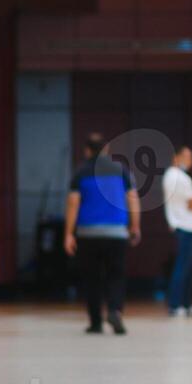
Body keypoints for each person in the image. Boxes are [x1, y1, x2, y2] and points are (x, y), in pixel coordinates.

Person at [64, 134, 141, 335]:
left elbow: (73, 203)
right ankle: (115, 310)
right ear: (106, 149)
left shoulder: (80, 172)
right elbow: (133, 198)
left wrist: (68, 234)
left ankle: (96, 322)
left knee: (92, 278)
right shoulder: (121, 171)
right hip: (116, 233)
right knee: (116, 275)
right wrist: (135, 226)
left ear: (87, 151)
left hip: (88, 234)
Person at [162, 146, 192, 317]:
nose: (190, 161)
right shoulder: (181, 178)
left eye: (191, 157)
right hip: (185, 227)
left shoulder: (169, 176)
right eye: (186, 157)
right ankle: (176, 304)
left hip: (183, 226)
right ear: (176, 157)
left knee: (190, 266)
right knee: (183, 266)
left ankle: (186, 303)